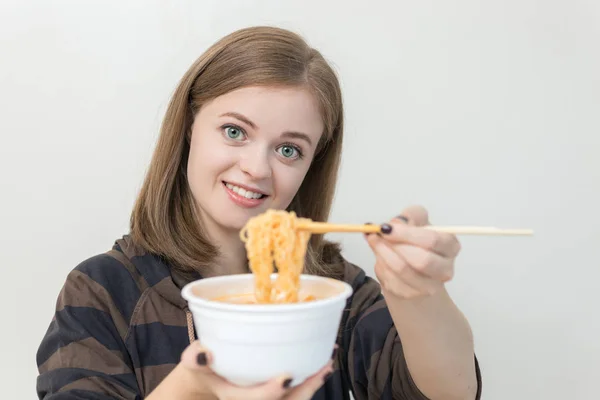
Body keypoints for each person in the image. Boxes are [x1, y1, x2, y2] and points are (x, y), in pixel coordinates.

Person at [36, 26, 482, 400]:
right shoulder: (105, 291)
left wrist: (419, 295)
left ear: (311, 165)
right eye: (235, 131)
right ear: (190, 127)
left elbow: (445, 392)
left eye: (289, 149)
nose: (256, 168)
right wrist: (191, 390)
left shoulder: (331, 290)